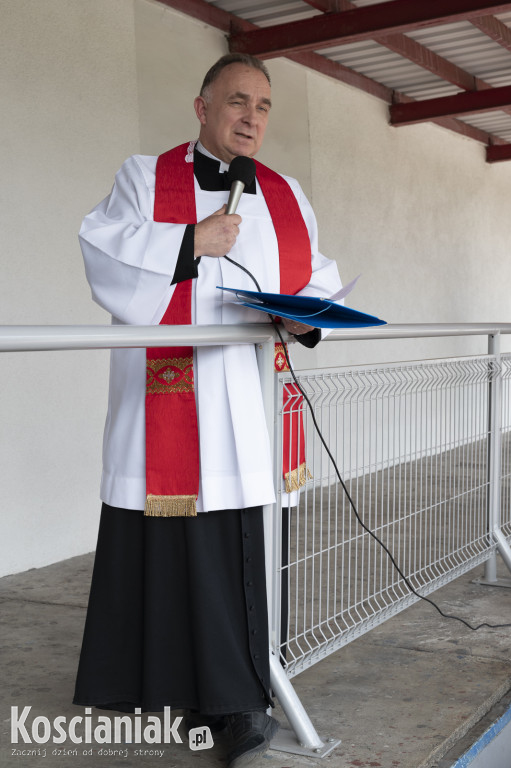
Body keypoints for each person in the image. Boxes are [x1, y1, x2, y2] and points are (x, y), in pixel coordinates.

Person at [74, 53, 342, 767]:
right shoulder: (144, 176)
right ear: (202, 108)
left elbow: (318, 275)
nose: (251, 117)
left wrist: (305, 316)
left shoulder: (288, 194)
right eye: (236, 102)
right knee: (175, 545)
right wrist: (193, 241)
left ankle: (238, 694)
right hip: (173, 398)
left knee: (242, 544)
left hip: (249, 402)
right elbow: (102, 249)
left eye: (263, 106)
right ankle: (170, 686)